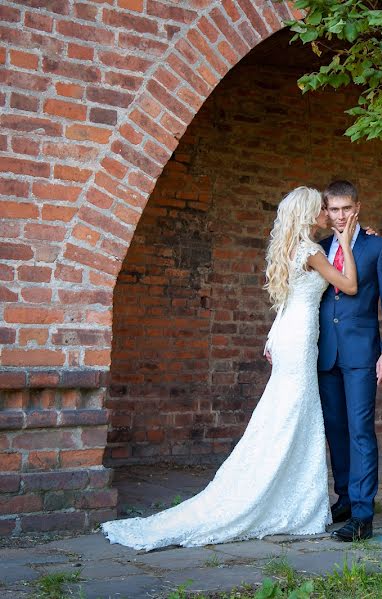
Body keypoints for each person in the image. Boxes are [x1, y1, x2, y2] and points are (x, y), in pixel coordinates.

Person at [101, 186, 359, 550]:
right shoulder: (313, 251)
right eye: (321, 209)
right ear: (307, 214)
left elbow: (284, 302)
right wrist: (346, 243)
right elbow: (349, 285)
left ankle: (288, 493)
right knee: (293, 412)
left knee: (285, 411)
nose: (326, 215)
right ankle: (285, 498)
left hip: (286, 334)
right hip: (299, 339)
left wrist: (271, 337)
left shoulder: (288, 248)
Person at [317, 180, 382, 542]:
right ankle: (347, 499)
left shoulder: (378, 247)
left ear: (357, 208)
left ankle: (364, 515)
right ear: (327, 211)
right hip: (326, 354)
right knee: (336, 431)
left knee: (360, 430)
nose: (340, 216)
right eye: (333, 209)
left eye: (346, 209)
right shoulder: (319, 248)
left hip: (363, 354)